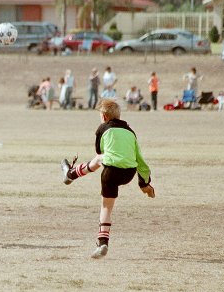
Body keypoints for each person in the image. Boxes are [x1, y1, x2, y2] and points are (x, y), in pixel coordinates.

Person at [60, 98, 155, 259]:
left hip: (111, 172)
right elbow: (140, 160)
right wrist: (144, 184)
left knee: (106, 207)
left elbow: (99, 151)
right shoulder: (131, 132)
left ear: (104, 116)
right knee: (101, 161)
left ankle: (103, 243)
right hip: (129, 173)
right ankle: (70, 174)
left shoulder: (103, 128)